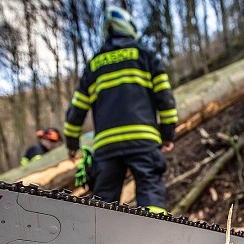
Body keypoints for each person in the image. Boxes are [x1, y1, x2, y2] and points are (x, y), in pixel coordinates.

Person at [63, 6, 177, 214]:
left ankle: (100, 243)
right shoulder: (145, 56)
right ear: (129, 27)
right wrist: (168, 134)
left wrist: (72, 143)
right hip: (143, 140)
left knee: (104, 201)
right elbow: (166, 99)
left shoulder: (94, 65)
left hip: (107, 146)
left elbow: (76, 110)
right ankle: (156, 237)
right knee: (150, 191)